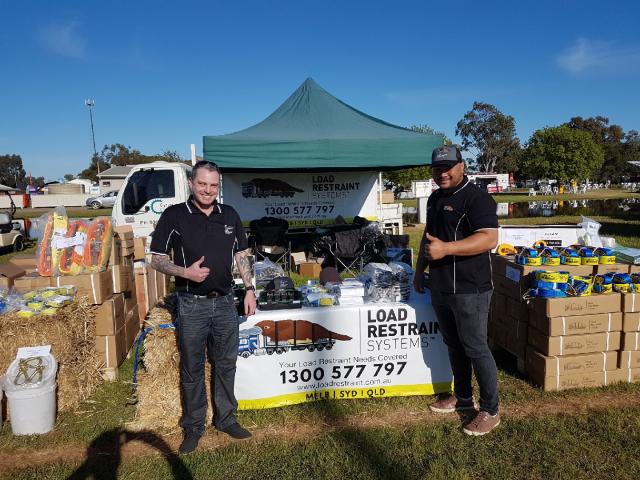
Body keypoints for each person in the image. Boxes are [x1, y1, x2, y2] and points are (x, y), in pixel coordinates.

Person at [149, 160, 257, 454]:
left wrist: (249, 289)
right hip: (190, 305)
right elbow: (156, 257)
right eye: (202, 184)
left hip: (225, 303)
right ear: (191, 184)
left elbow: (242, 254)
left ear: (218, 186)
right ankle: (194, 426)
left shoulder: (230, 214)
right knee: (192, 367)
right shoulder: (174, 216)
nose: (207, 190)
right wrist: (186, 272)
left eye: (213, 185)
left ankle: (226, 419)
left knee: (225, 364)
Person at [413, 146, 500, 436]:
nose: (443, 173)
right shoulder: (435, 198)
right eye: (438, 169)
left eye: (449, 167)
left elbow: (489, 239)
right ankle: (462, 397)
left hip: (470, 288)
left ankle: (490, 409)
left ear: (462, 166)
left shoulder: (477, 198)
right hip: (440, 286)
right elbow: (429, 238)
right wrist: (418, 271)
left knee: (476, 347)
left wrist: (446, 250)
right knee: (454, 345)